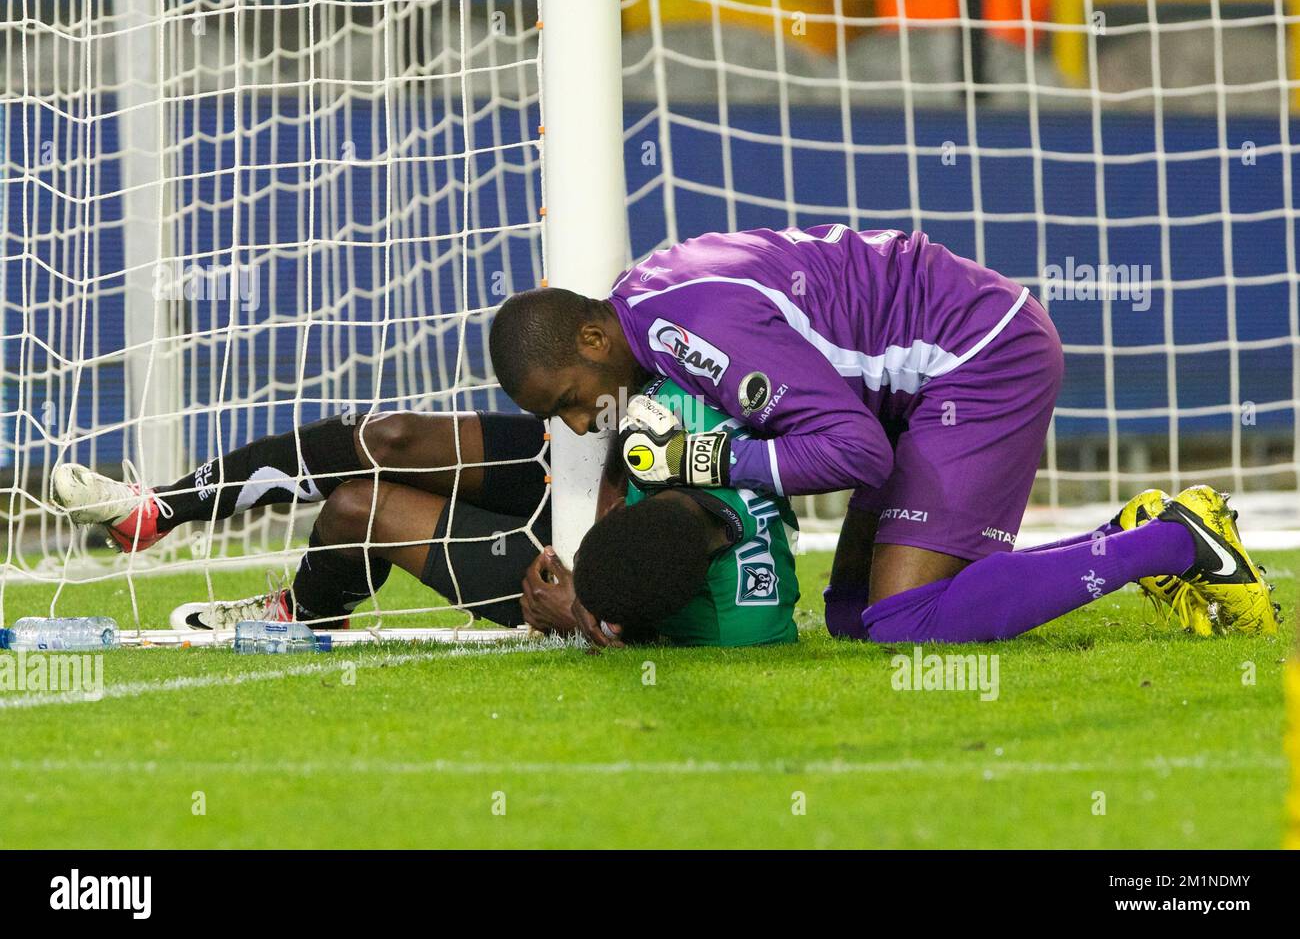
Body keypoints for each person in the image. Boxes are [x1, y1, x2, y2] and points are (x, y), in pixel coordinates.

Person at [488, 224, 1281, 641]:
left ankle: (1179, 543)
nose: (578, 420)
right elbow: (632, 464)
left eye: (568, 399)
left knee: (908, 623)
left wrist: (710, 456)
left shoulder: (685, 330)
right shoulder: (642, 309)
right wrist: (599, 596)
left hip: (979, 357)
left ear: (591, 343)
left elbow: (855, 450)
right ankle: (1127, 532)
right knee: (851, 617)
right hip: (915, 384)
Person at [48, 379, 799, 647]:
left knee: (355, 510)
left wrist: (587, 607)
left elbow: (648, 592)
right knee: (394, 438)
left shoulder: (729, 617)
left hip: (583, 575)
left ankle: (304, 611)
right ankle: (157, 509)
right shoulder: (697, 378)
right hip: (606, 471)